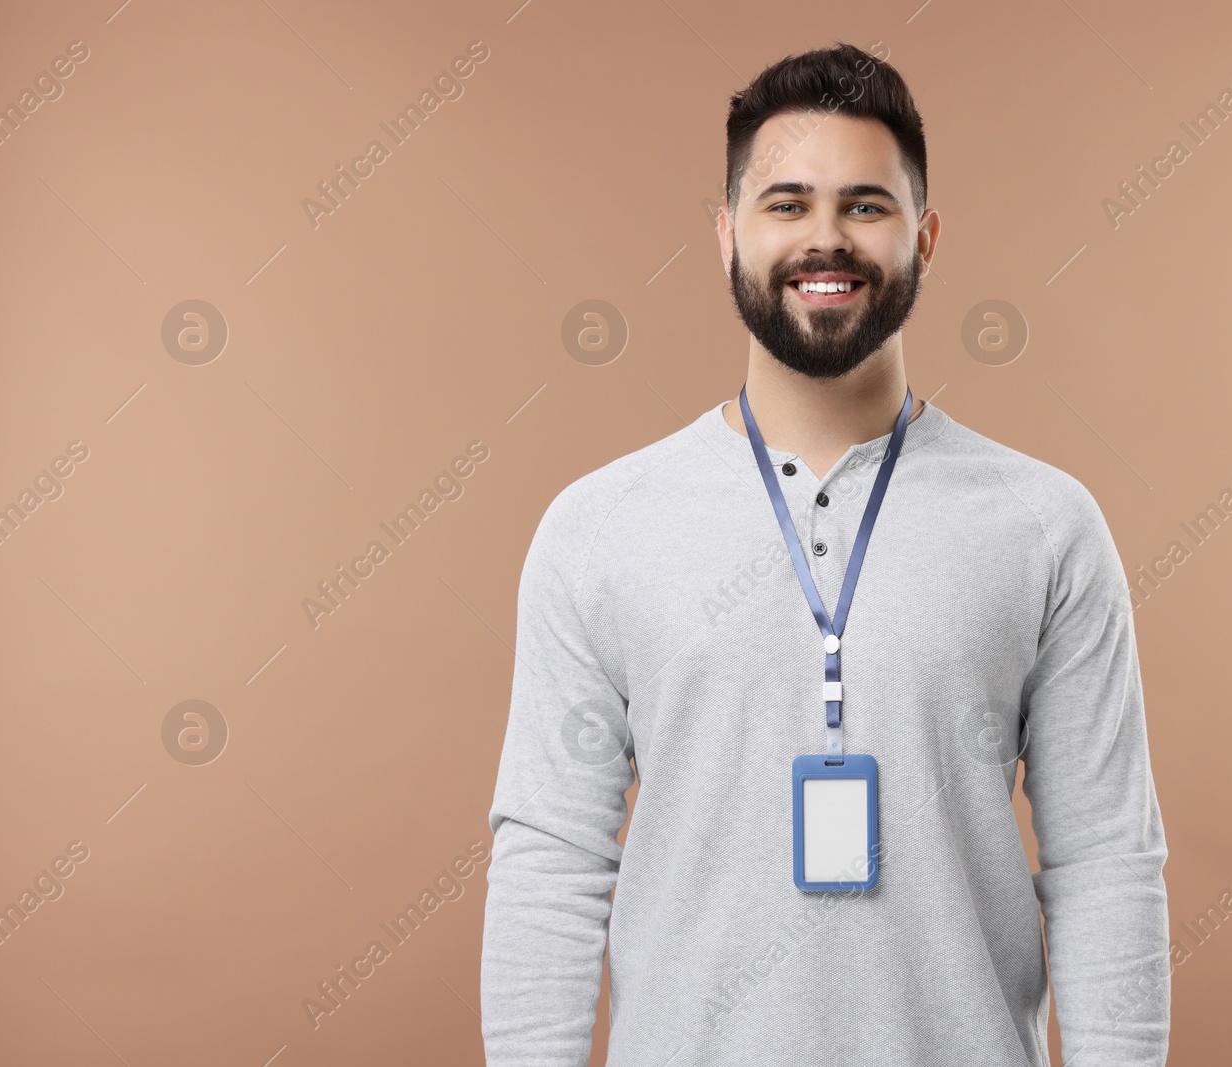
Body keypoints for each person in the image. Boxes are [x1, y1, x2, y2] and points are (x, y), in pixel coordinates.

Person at [481, 40, 1170, 1067]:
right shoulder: (599, 526)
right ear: (726, 235)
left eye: (865, 205)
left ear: (924, 237)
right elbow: (551, 859)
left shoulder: (1043, 524)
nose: (825, 237)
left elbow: (1105, 859)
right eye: (786, 203)